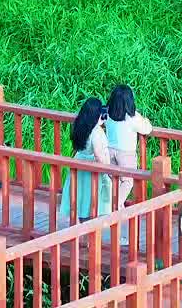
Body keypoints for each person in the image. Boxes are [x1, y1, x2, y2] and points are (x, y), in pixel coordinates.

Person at [58, 97, 114, 225]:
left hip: (79, 164)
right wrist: (108, 171)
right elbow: (99, 155)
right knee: (91, 203)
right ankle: (90, 241)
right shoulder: (96, 132)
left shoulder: (79, 125)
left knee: (81, 201)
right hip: (91, 168)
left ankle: (80, 238)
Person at [104, 84, 155, 206]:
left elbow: (99, 119)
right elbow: (147, 129)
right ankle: (116, 205)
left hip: (109, 150)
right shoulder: (132, 117)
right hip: (126, 153)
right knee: (127, 181)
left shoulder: (106, 112)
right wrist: (146, 120)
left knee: (111, 179)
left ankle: (112, 204)